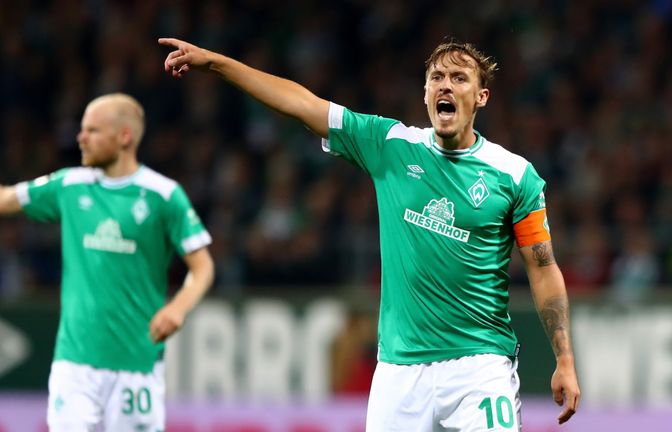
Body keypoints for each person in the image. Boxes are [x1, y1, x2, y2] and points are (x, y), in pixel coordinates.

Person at [157, 38, 580, 430]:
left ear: (481, 97)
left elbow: (543, 269)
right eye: (436, 77)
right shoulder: (392, 145)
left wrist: (564, 357)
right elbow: (302, 104)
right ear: (426, 94)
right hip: (399, 369)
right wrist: (215, 63)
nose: (445, 86)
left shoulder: (515, 175)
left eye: (459, 78)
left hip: (480, 364)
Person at [0, 93, 215, 432]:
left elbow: (202, 267)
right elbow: (2, 198)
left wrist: (178, 308)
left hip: (136, 365)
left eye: (92, 130)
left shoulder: (163, 195)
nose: (80, 137)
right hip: (75, 365)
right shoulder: (69, 184)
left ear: (124, 137)